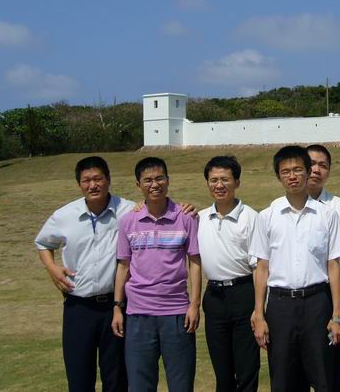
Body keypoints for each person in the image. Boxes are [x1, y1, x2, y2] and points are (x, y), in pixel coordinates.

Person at [249, 145, 340, 391]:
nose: (292, 176)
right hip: (280, 306)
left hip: (317, 303)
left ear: (307, 172)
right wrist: (259, 314)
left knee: (323, 377)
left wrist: (337, 315)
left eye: (297, 170)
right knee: (283, 379)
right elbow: (262, 267)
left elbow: (333, 265)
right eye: (285, 172)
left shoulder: (327, 215)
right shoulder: (267, 216)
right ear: (278, 176)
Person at [35, 156, 132, 392]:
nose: (92, 185)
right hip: (78, 308)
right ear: (79, 184)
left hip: (116, 307)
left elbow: (156, 209)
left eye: (98, 179)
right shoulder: (65, 215)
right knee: (79, 378)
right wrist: (52, 268)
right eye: (86, 180)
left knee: (117, 379)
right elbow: (43, 243)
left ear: (108, 180)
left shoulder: (128, 210)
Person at [111, 156, 202, 392]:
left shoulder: (186, 218)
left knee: (181, 385)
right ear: (138, 185)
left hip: (177, 314)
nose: (155, 184)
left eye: (160, 178)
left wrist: (194, 305)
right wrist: (117, 307)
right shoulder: (128, 221)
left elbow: (194, 262)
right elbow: (123, 266)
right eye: (148, 180)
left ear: (168, 180)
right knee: (140, 385)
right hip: (138, 315)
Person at [198, 156, 260, 392]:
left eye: (225, 179)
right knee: (222, 371)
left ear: (237, 183)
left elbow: (259, 267)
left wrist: (259, 309)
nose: (219, 185)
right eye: (213, 180)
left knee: (246, 369)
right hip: (214, 297)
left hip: (244, 294)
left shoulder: (251, 217)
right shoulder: (199, 218)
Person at [305, 144, 340, 392]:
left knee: (328, 372)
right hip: (294, 301)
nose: (316, 170)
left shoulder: (339, 207)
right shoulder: (280, 207)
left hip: (331, 298)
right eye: (311, 164)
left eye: (323, 165)